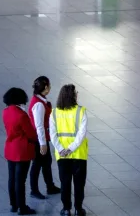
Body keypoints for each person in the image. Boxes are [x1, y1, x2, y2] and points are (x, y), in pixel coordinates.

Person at [50, 84, 88, 216]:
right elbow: (81, 134)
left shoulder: (54, 112)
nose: (77, 94)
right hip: (78, 154)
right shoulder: (81, 111)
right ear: (73, 96)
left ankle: (66, 209)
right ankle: (78, 209)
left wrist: (61, 149)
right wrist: (71, 148)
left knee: (65, 183)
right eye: (76, 92)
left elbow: (53, 134)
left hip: (62, 156)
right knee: (79, 184)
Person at [3, 87, 37, 215]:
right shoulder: (22, 115)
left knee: (11, 178)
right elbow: (31, 134)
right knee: (21, 180)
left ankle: (14, 205)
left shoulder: (5, 112)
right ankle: (22, 207)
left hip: (10, 148)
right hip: (22, 150)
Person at [28, 76, 61, 200]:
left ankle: (50, 186)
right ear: (46, 87)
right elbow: (39, 126)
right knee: (37, 164)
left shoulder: (40, 101)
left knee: (47, 162)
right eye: (49, 85)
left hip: (42, 138)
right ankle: (34, 190)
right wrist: (42, 143)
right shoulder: (39, 105)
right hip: (39, 139)